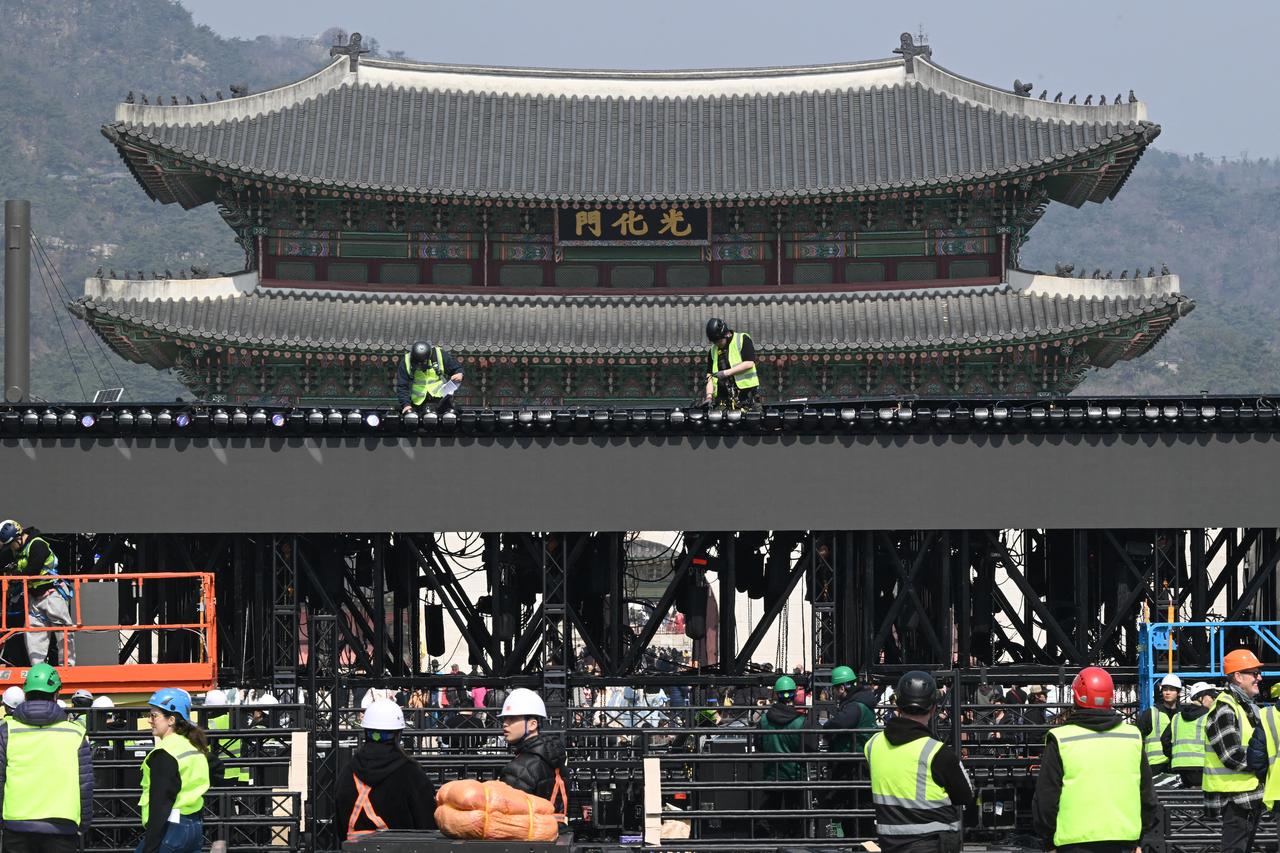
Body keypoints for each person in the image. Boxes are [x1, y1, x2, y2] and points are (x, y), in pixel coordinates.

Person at [1032, 666, 1160, 852]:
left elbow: (1046, 798)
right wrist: (1139, 839)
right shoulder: (1132, 736)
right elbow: (1147, 794)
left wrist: (1049, 840)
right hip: (1123, 842)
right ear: (1111, 697)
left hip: (1073, 843)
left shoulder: (1061, 738)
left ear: (1076, 696)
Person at [864, 671, 972, 852]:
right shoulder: (938, 753)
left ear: (897, 706)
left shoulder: (872, 745)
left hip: (890, 843)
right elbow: (965, 795)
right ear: (933, 708)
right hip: (933, 843)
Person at [0, 664, 93, 853]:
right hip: (62, 828)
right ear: (57, 694)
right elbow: (85, 784)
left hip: (17, 828)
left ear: (26, 694)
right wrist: (83, 824)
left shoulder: (7, 732)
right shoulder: (75, 733)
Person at [336, 699, 436, 840]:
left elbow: (339, 826)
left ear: (366, 732)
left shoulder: (348, 772)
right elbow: (429, 825)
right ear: (398, 734)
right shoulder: (411, 774)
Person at [1205, 648, 1265, 853]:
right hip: (1234, 800)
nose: (1259, 677)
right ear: (1238, 676)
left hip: (1247, 797)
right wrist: (1264, 764)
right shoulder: (1225, 708)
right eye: (1254, 673)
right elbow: (1230, 755)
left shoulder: (1247, 707)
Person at [137, 688, 209, 853]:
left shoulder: (165, 752)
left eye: (154, 716)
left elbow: (161, 803)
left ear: (171, 720)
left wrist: (150, 845)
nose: (149, 720)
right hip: (194, 827)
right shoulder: (193, 745)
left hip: (170, 828)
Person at [0, 521, 74, 667]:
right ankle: (38, 670)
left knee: (64, 632)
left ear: (18, 537)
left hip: (52, 595)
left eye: (11, 545)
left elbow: (33, 569)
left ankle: (68, 667)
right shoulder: (21, 550)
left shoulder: (37, 544)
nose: (11, 549)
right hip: (34, 599)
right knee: (34, 636)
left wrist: (14, 575)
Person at [823, 666, 877, 839]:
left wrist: (825, 728)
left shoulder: (854, 707)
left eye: (835, 689)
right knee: (858, 812)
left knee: (855, 811)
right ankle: (861, 844)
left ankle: (860, 844)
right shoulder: (861, 703)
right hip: (859, 765)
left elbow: (838, 724)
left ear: (841, 688)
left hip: (854, 767)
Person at [757, 675, 809, 838]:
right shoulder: (800, 721)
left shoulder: (764, 720)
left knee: (770, 811)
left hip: (772, 774)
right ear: (794, 694)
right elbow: (810, 747)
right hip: (794, 775)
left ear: (776, 695)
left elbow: (758, 743)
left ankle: (769, 839)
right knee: (795, 814)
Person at [496, 688, 566, 806]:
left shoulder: (520, 768)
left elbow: (506, 810)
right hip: (556, 824)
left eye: (512, 718)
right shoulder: (557, 759)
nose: (505, 723)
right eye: (504, 718)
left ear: (532, 724)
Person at [702, 318, 759, 410]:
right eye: (714, 342)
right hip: (723, 397)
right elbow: (709, 375)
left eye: (719, 341)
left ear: (726, 334)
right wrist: (709, 396)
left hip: (746, 394)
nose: (717, 344)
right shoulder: (713, 350)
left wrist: (726, 373)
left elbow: (749, 363)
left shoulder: (742, 339)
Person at [395, 340, 464, 416]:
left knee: (450, 417)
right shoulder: (406, 361)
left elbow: (456, 368)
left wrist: (459, 374)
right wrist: (406, 405)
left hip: (441, 400)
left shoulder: (439, 355)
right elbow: (402, 386)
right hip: (418, 403)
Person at [1168, 681, 1216, 788]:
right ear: (1202, 697)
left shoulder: (1177, 717)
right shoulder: (1208, 716)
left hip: (1179, 766)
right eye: (1211, 697)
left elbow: (1165, 741)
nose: (1213, 700)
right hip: (1201, 765)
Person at [202, 690, 249, 787]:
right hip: (234, 770)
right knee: (229, 800)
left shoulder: (208, 722)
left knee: (215, 800)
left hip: (215, 770)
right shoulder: (235, 719)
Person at [1136, 673, 1181, 774]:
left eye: (1171, 689)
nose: (1167, 692)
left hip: (1177, 765)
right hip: (1155, 766)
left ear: (1178, 692)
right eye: (1165, 689)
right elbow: (1137, 740)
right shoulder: (1150, 713)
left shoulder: (1182, 714)